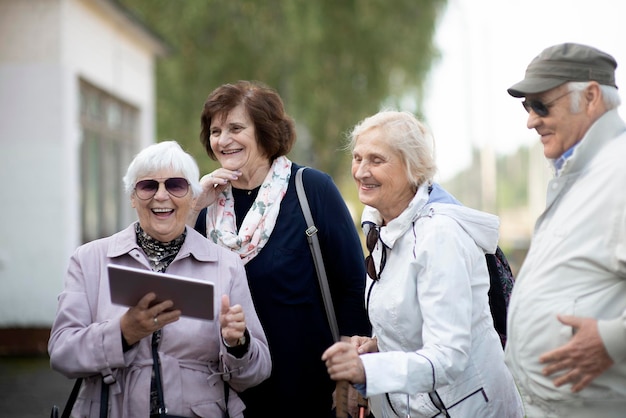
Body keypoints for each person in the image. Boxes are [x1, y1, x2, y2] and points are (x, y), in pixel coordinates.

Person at [321, 110, 524, 417]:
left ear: (413, 167)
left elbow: (449, 357)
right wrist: (379, 344)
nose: (361, 171)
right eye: (357, 157)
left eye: (376, 160)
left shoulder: (440, 236)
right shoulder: (383, 227)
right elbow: (412, 321)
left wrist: (369, 371)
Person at [48, 140, 271, 417]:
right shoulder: (89, 259)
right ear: (132, 197)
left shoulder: (225, 265)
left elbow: (258, 371)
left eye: (176, 185)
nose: (161, 196)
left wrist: (238, 344)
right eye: (148, 186)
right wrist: (123, 333)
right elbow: (62, 354)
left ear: (192, 196)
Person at [188, 80, 371, 417]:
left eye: (236, 127)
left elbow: (354, 285)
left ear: (264, 131)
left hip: (309, 391)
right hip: (227, 394)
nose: (223, 139)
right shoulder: (205, 206)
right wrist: (193, 206)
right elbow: (175, 277)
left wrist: (348, 378)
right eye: (215, 130)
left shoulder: (311, 189)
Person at [504, 42, 626, 417]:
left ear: (590, 97)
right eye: (527, 106)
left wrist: (612, 340)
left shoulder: (619, 169)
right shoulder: (583, 172)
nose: (530, 120)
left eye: (542, 105)